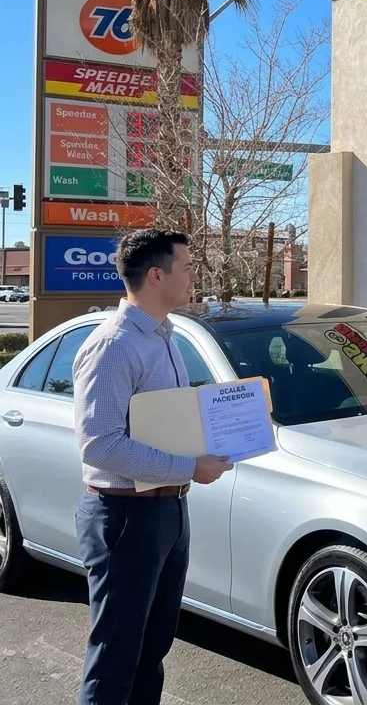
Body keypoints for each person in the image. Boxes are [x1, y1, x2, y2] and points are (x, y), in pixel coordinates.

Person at [72, 229, 233, 705]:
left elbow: (164, 425)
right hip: (124, 517)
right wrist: (189, 467)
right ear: (156, 275)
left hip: (167, 514)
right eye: (187, 267)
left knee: (151, 650)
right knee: (116, 657)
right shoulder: (114, 346)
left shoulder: (166, 337)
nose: (194, 276)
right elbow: (100, 446)